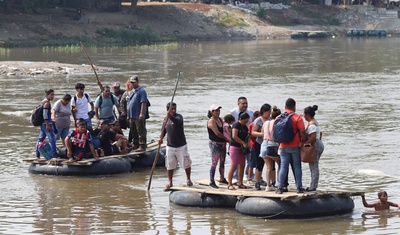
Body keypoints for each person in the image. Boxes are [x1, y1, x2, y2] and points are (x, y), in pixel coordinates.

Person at [276, 98, 307, 194]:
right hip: (295, 145)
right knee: (297, 166)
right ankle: (299, 187)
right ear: (294, 107)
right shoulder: (297, 117)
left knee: (283, 167)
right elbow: (302, 131)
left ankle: (280, 187)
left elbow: (275, 133)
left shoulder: (278, 117)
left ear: (285, 107)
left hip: (283, 146)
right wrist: (303, 140)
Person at [159, 102, 193, 190]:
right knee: (170, 164)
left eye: (175, 109)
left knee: (186, 163)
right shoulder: (165, 119)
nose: (173, 110)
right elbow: (163, 130)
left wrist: (171, 116)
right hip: (170, 146)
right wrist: (160, 138)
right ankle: (170, 182)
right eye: (171, 109)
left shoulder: (179, 117)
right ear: (167, 110)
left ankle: (188, 179)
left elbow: (177, 121)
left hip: (181, 145)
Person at [207, 104, 229, 189]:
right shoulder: (211, 121)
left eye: (219, 111)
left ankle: (222, 178)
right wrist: (226, 138)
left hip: (222, 143)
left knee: (222, 161)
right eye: (216, 111)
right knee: (214, 162)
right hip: (215, 144)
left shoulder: (220, 119)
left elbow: (225, 128)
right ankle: (211, 181)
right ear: (212, 112)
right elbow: (217, 133)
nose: (218, 112)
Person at [303, 105, 324, 192]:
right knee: (313, 165)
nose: (303, 116)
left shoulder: (311, 124)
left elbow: (313, 137)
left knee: (314, 166)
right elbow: (321, 134)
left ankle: (313, 186)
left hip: (315, 144)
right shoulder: (314, 122)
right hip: (318, 143)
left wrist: (304, 144)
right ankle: (313, 185)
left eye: (304, 114)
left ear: (307, 115)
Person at [227, 112, 250, 190]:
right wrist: (243, 143)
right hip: (235, 147)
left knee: (242, 165)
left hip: (242, 148)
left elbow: (247, 136)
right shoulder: (236, 125)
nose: (246, 123)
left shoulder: (245, 127)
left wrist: (247, 143)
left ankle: (240, 183)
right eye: (245, 121)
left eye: (247, 121)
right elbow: (234, 136)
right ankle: (229, 183)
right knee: (234, 165)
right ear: (240, 119)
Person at [260, 106, 281, 191]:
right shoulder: (276, 123)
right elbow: (277, 136)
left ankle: (268, 185)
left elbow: (262, 133)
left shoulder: (265, 123)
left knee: (269, 167)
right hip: (272, 145)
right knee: (281, 164)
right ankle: (280, 183)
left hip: (264, 144)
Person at [251, 104, 272, 190]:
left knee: (270, 165)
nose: (269, 113)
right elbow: (253, 132)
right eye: (268, 112)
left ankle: (270, 183)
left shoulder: (271, 120)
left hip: (269, 144)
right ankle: (257, 182)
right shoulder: (258, 120)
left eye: (270, 112)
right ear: (263, 111)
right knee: (259, 164)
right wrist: (263, 134)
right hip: (259, 143)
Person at [127, 75, 148, 151]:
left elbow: (143, 102)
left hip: (137, 114)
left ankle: (142, 145)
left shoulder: (142, 91)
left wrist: (142, 113)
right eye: (131, 82)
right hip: (132, 115)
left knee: (140, 130)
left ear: (137, 82)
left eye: (133, 82)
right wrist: (128, 115)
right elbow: (129, 103)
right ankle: (136, 144)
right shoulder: (132, 91)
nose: (132, 84)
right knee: (133, 130)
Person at [35, 89, 58, 159]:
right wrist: (47, 124)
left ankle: (37, 154)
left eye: (53, 95)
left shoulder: (43, 102)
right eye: (51, 95)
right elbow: (45, 115)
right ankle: (54, 155)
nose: (52, 96)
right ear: (47, 95)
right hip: (46, 124)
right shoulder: (46, 103)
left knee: (40, 139)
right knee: (52, 139)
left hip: (43, 124)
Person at [246, 110, 259, 185]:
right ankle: (249, 178)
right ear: (255, 117)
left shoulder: (261, 124)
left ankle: (258, 178)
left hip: (259, 145)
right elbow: (249, 135)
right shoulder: (252, 125)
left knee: (258, 163)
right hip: (253, 144)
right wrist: (258, 134)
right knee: (251, 163)